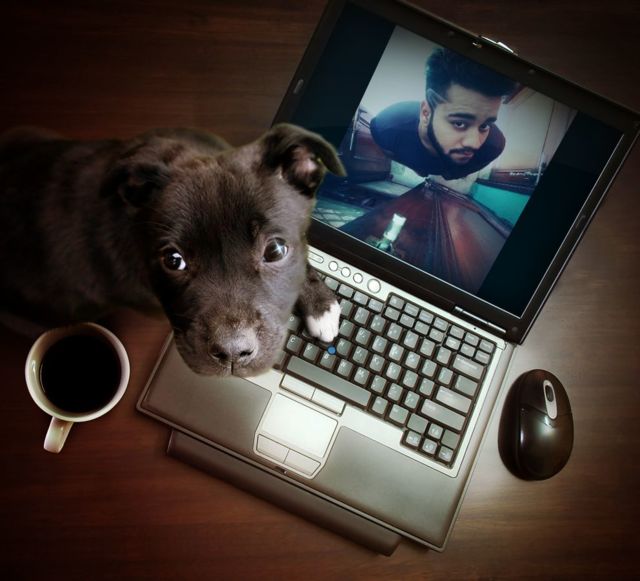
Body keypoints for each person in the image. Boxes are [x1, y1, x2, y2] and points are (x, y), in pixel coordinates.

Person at [369, 47, 518, 180]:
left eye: (484, 125)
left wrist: (450, 174)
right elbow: (388, 152)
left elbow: (453, 175)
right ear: (426, 113)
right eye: (459, 123)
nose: (475, 143)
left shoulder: (493, 146)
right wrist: (416, 167)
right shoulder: (386, 128)